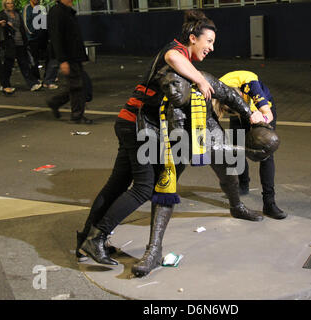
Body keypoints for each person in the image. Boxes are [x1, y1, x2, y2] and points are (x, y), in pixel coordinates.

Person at [77, 10, 264, 267]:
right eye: (208, 41)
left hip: (130, 121)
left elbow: (227, 95)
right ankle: (96, 239)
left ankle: (86, 241)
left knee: (117, 185)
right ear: (192, 37)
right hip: (138, 125)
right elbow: (172, 55)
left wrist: (250, 114)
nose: (211, 47)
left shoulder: (185, 61)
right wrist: (199, 79)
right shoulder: (176, 52)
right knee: (144, 188)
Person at [131, 66, 269, 277]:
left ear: (188, 82)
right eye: (167, 86)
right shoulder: (160, 97)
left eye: (176, 84)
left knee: (227, 172)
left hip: (208, 128)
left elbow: (231, 95)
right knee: (165, 187)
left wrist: (251, 115)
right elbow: (145, 116)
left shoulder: (204, 80)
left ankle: (237, 206)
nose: (172, 90)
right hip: (175, 136)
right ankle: (154, 249)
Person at [219, 70, 286, 220]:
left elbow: (268, 114)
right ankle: (243, 184)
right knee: (235, 147)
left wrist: (261, 118)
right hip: (238, 108)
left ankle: (269, 203)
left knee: (266, 153)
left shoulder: (252, 86)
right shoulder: (217, 90)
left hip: (260, 112)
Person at [46, 0, 92, 124]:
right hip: (68, 56)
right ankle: (76, 115)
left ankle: (55, 102)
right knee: (78, 85)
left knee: (76, 85)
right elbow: (56, 37)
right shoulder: (57, 12)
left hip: (73, 55)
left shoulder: (67, 11)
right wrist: (62, 60)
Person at [0, 0, 42, 92]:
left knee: (24, 63)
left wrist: (25, 40)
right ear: (5, 5)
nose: (10, 5)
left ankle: (32, 84)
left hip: (20, 41)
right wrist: (5, 26)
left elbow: (22, 27)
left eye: (12, 3)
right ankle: (4, 84)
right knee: (8, 65)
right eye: (8, 3)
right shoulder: (2, 15)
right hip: (10, 43)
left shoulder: (17, 13)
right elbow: (0, 28)